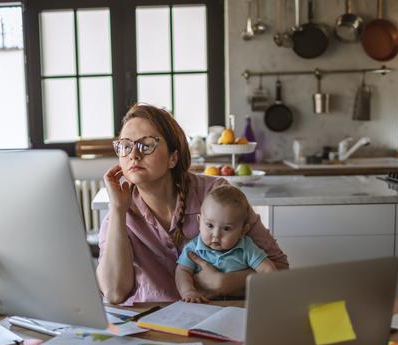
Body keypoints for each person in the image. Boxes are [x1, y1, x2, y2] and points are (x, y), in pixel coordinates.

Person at [96, 103, 288, 305]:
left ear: (173, 157)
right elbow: (114, 293)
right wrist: (117, 210)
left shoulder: (216, 195)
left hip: (219, 318)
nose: (134, 154)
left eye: (146, 144)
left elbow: (280, 269)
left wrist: (225, 283)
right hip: (151, 327)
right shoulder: (119, 212)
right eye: (125, 146)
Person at [175, 185, 276, 303]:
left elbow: (267, 269)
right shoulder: (193, 248)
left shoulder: (246, 247)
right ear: (199, 221)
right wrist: (188, 291)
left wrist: (270, 291)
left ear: (243, 231)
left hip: (242, 303)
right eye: (210, 225)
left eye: (227, 228)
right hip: (206, 303)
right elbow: (182, 271)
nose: (216, 235)